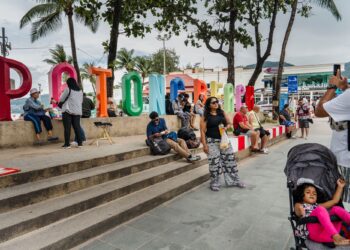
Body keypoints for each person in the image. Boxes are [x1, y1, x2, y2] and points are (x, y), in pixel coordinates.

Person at [315, 70, 350, 206]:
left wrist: (332, 87)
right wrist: (344, 88)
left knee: (339, 202)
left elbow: (319, 111)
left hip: (345, 162)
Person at [200, 96, 245, 191]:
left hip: (224, 140)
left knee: (230, 161)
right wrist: (204, 145)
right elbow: (203, 131)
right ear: (208, 105)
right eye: (213, 102)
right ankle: (214, 182)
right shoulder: (205, 116)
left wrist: (226, 127)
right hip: (212, 141)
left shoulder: (222, 112)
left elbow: (229, 123)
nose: (216, 103)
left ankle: (234, 180)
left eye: (216, 101)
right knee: (214, 163)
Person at [294, 178, 350, 246]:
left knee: (336, 208)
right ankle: (336, 236)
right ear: (301, 195)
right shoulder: (300, 205)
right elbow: (297, 210)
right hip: (314, 233)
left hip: (327, 233)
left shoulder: (318, 206)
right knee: (320, 209)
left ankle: (336, 237)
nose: (312, 194)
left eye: (314, 193)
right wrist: (300, 209)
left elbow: (335, 201)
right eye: (308, 192)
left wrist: (340, 186)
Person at [59, 78, 83, 148]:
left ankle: (67, 144)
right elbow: (81, 101)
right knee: (77, 127)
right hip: (77, 111)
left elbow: (61, 99)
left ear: (68, 83)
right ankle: (80, 143)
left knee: (67, 128)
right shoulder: (80, 91)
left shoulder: (68, 89)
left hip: (68, 111)